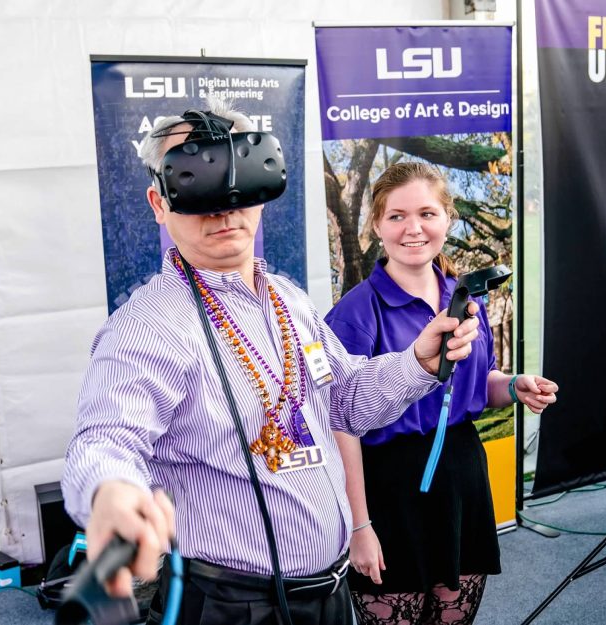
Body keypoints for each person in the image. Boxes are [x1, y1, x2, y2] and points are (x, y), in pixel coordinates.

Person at [60, 103, 484, 625]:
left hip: (328, 593)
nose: (223, 209)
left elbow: (345, 401)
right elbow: (105, 439)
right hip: (233, 604)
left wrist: (417, 361)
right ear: (159, 202)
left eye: (236, 183)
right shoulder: (149, 326)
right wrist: (112, 493)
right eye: (196, 187)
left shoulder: (288, 299)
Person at [324, 162, 559, 625]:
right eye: (396, 216)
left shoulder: (466, 299)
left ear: (447, 218)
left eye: (427, 213)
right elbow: (339, 422)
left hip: (460, 476)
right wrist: (359, 525)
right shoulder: (354, 312)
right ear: (377, 225)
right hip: (386, 489)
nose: (413, 228)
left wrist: (513, 386)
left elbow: (478, 384)